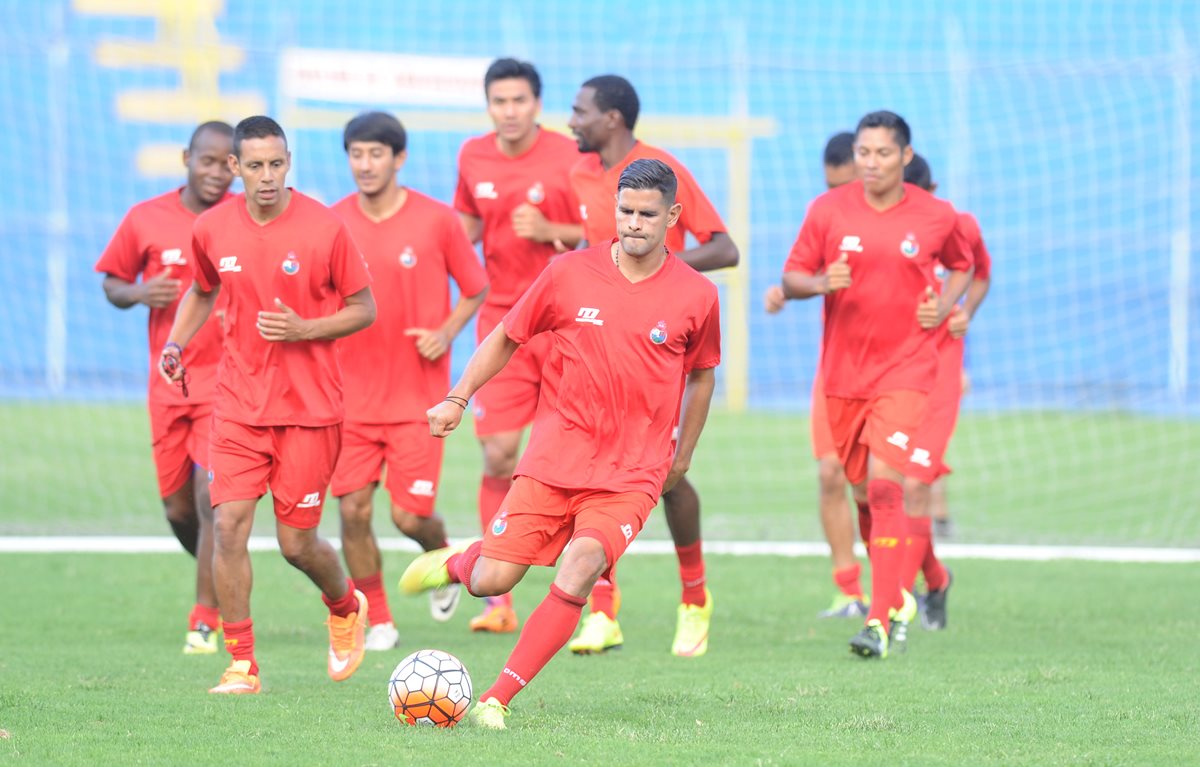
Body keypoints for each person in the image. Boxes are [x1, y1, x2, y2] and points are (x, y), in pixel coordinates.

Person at [399, 158, 721, 729]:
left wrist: (683, 453)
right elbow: (508, 336)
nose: (634, 224)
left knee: (582, 564)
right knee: (492, 581)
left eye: (648, 215)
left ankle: (495, 699)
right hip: (554, 460)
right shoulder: (568, 273)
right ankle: (462, 561)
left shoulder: (696, 295)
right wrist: (458, 397)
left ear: (672, 216)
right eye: (626, 212)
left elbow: (701, 375)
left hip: (631, 471)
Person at [160, 115, 377, 693]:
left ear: (289, 162)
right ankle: (242, 663)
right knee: (227, 523)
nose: (266, 177)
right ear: (235, 168)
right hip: (236, 404)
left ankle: (344, 604)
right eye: (254, 166)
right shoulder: (211, 229)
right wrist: (176, 342)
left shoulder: (324, 228)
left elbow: (364, 308)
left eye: (276, 164)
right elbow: (203, 290)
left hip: (310, 411)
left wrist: (306, 329)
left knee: (296, 545)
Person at [780, 111, 973, 659]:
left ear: (905, 157)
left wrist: (948, 304)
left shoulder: (937, 216)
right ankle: (911, 586)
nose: (871, 163)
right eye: (864, 153)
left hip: (909, 371)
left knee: (890, 486)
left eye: (883, 153)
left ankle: (880, 617)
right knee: (863, 492)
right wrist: (819, 283)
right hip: (844, 379)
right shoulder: (827, 210)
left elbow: (967, 263)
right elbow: (791, 277)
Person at [565, 73, 738, 657]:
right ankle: (602, 613)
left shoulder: (658, 169)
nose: (571, 122)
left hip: (659, 348)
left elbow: (723, 246)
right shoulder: (580, 173)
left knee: (671, 479)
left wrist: (658, 271)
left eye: (580, 111)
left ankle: (694, 598)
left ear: (611, 118)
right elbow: (597, 253)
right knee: (592, 482)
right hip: (593, 351)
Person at [329, 112, 490, 650]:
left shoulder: (437, 220)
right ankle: (378, 619)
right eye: (356, 154)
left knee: (408, 514)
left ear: (399, 159)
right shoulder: (332, 224)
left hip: (417, 400)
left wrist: (445, 333)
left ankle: (441, 552)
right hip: (350, 399)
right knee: (351, 509)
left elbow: (474, 287)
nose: (365, 164)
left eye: (376, 154)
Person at [94, 120, 235, 655]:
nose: (218, 173)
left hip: (226, 384)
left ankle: (205, 616)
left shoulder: (245, 223)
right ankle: (229, 567)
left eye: (228, 163)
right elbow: (111, 283)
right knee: (179, 510)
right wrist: (137, 292)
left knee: (210, 500)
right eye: (208, 161)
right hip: (169, 386)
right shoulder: (145, 218)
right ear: (186, 158)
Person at [453, 57, 583, 634]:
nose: (509, 111)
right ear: (489, 105)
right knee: (499, 455)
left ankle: (595, 602)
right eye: (499, 101)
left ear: (537, 104)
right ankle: (496, 599)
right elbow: (465, 232)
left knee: (576, 466)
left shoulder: (570, 157)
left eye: (519, 101)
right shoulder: (471, 156)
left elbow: (608, 231)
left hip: (569, 327)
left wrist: (558, 232)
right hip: (505, 323)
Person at [764, 130, 870, 619]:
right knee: (831, 474)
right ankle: (849, 590)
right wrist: (795, 289)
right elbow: (804, 271)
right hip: (837, 371)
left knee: (879, 488)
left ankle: (907, 579)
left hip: (897, 373)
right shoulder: (827, 213)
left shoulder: (906, 216)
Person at [897, 153, 992, 631]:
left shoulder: (958, 226)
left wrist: (964, 313)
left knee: (916, 483)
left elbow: (981, 275)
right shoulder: (889, 234)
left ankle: (895, 599)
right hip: (893, 374)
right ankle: (934, 578)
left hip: (940, 376)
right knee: (884, 490)